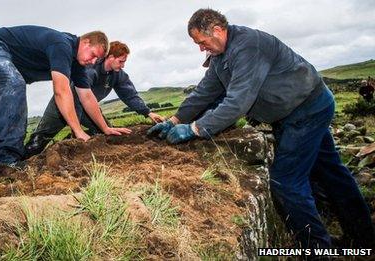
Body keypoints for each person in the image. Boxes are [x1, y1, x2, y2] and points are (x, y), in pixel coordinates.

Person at [148, 8, 375, 248]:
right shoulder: (220, 57)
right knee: (330, 172)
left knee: (286, 181)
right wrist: (173, 120)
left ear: (217, 30)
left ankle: (318, 249)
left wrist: (194, 129)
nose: (201, 48)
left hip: (307, 109)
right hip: (293, 114)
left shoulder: (248, 46)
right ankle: (363, 237)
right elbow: (204, 93)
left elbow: (237, 101)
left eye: (202, 42)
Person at [0, 25, 130, 171]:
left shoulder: (78, 64)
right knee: (14, 86)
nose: (93, 61)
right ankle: (6, 160)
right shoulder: (62, 45)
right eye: (93, 55)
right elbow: (61, 91)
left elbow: (87, 97)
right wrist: (78, 130)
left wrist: (105, 128)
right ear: (86, 42)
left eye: (97, 60)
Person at [24, 41, 164, 158]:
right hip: (62, 107)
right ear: (110, 57)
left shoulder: (118, 75)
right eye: (121, 61)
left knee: (107, 132)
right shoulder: (90, 70)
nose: (123, 65)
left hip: (88, 109)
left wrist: (148, 112)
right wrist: (76, 131)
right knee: (39, 140)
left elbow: (130, 95)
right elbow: (76, 98)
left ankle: (67, 144)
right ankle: (19, 163)